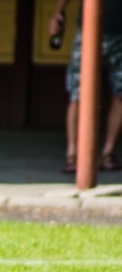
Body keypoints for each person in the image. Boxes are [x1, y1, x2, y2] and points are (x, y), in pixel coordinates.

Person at [51, 0, 122, 173]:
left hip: (120, 35)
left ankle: (107, 152)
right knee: (77, 93)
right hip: (88, 33)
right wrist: (57, 15)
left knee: (120, 93)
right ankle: (72, 153)